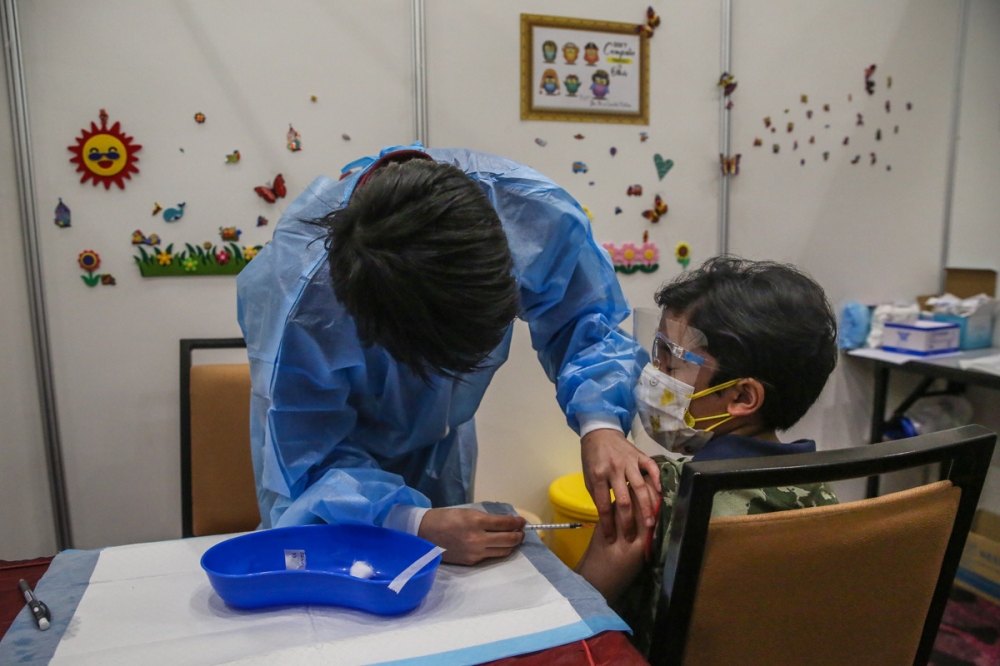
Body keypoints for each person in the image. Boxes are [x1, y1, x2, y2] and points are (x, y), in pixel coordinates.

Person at [236, 144, 660, 566]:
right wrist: (413, 521)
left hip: (441, 446)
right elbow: (306, 461)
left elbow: (586, 317)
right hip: (329, 473)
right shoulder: (296, 303)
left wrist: (601, 425)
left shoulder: (527, 212)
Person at [574, 256, 840, 655]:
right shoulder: (822, 494)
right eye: (657, 350)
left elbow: (580, 611)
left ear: (742, 397)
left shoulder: (656, 490)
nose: (654, 372)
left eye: (673, 360)